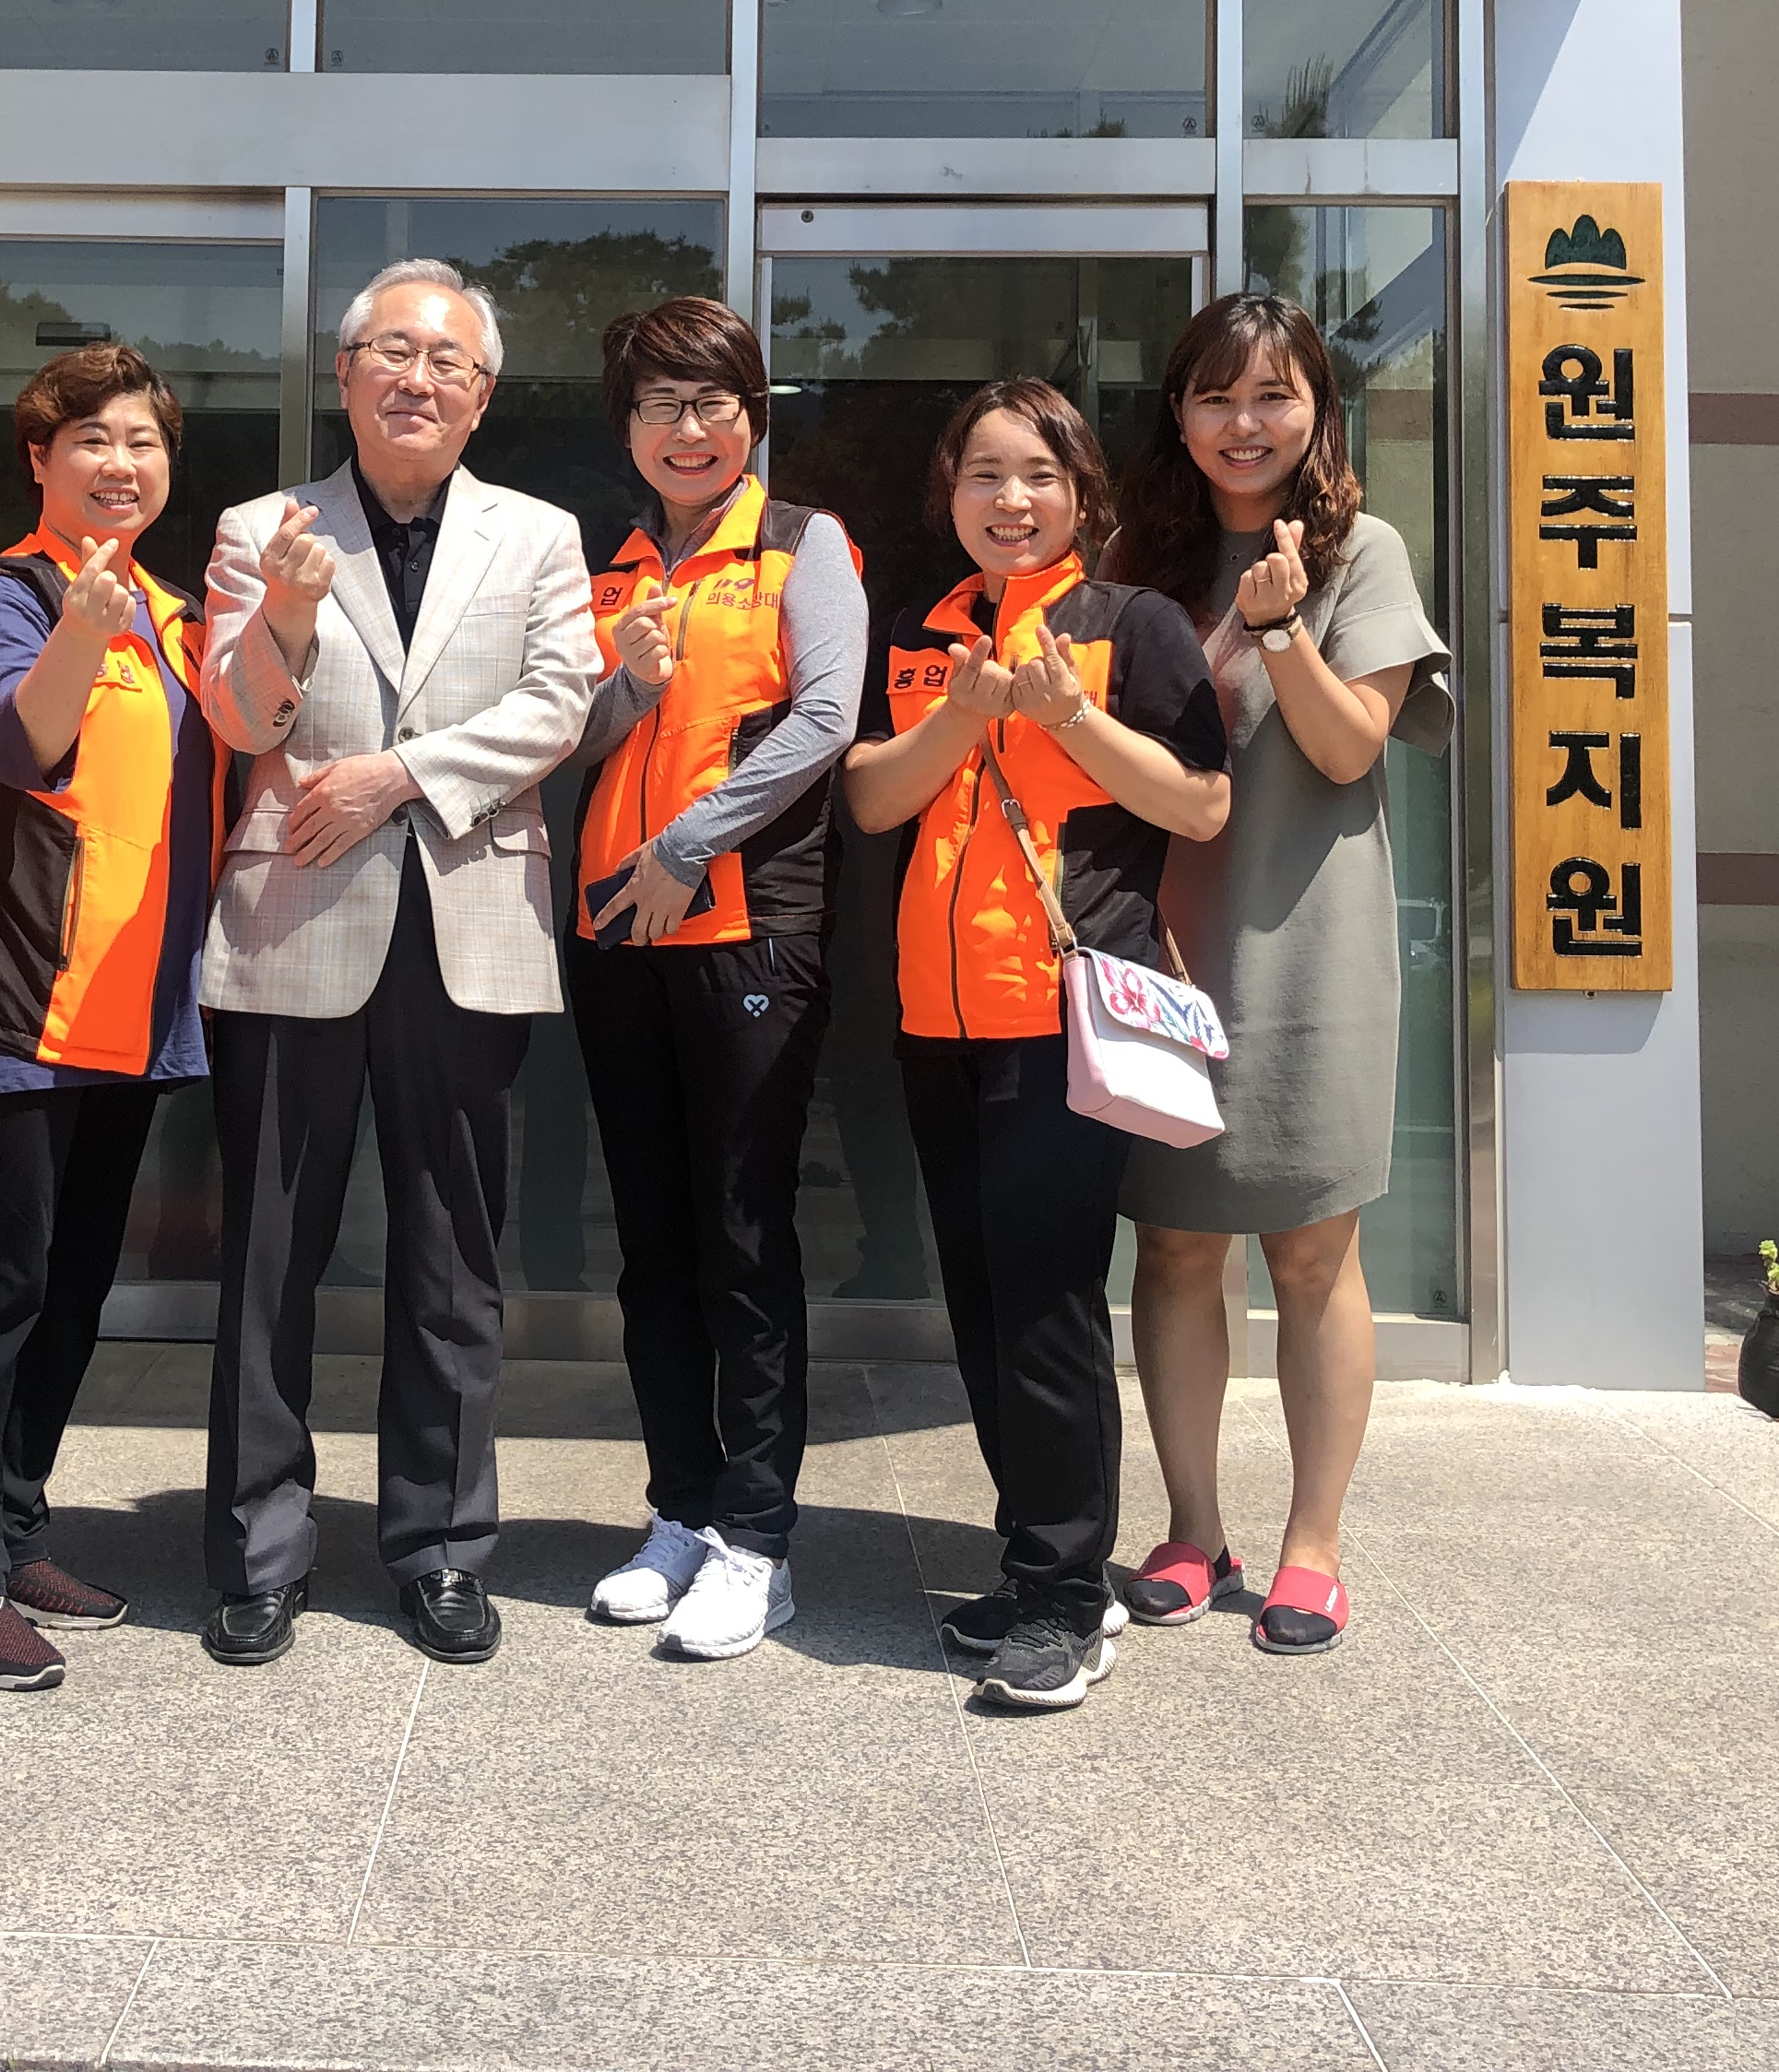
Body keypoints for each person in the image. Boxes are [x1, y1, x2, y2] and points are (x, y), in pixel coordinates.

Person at [196, 257, 599, 1669]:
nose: (418, 379)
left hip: (468, 922)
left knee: (451, 1256)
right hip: (294, 918)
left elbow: (561, 699)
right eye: (393, 353)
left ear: (482, 396)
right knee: (270, 1255)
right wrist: (288, 619)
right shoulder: (262, 527)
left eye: (448, 363)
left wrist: (398, 776)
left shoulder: (539, 534)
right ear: (347, 371)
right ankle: (259, 1550)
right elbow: (239, 721)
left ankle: (440, 1548)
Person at [841, 377, 1229, 1711]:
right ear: (948, 495)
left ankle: (1068, 1594)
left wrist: (1067, 716)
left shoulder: (1136, 624)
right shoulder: (925, 629)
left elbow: (1200, 803)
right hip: (934, 1017)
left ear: (1083, 494)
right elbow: (874, 800)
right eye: (984, 475)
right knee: (983, 1303)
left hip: (1063, 1021)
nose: (1012, 500)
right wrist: (960, 713)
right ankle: (1033, 1563)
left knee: (1050, 1306)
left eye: (1040, 474)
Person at [1107, 292, 1452, 1657]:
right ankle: (1193, 1530)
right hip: (1167, 949)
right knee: (1176, 1243)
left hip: (1314, 947)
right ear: (1179, 413)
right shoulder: (1136, 559)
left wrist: (1284, 629)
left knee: (1312, 1250)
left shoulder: (1362, 550)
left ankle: (1314, 1547)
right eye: (1215, 396)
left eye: (1273, 395)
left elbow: (1353, 746)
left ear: (1318, 407)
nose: (1243, 424)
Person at [0, 342, 223, 1693]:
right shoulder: (7, 596)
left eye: (143, 442)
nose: (121, 463)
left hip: (131, 1013)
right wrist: (80, 632)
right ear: (40, 458)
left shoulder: (172, 611)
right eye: (92, 439)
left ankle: (15, 1526)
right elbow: (7, 743)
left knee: (73, 1290)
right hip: (16, 1006)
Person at [568, 296, 863, 1659]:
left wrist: (690, 843)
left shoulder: (804, 546)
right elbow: (570, 743)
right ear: (626, 426)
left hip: (748, 928)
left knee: (744, 1238)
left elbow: (826, 718)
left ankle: (758, 1539)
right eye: (658, 406)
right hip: (618, 937)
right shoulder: (613, 570)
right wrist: (625, 690)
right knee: (653, 1246)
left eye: (711, 404)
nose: (686, 430)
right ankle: (680, 1509)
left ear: (751, 417)